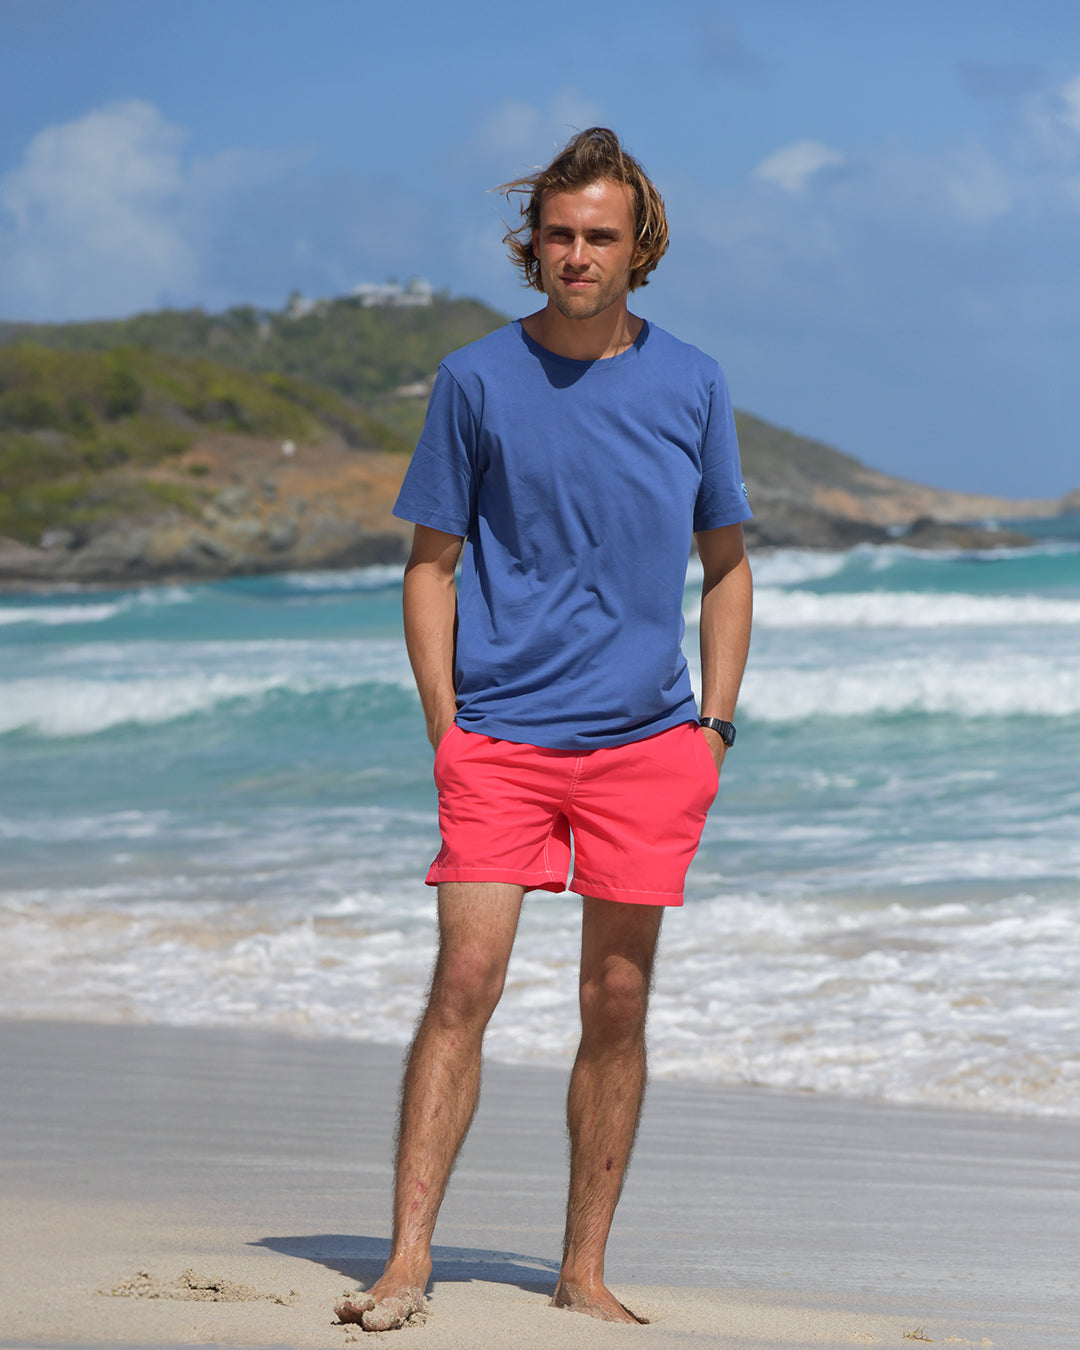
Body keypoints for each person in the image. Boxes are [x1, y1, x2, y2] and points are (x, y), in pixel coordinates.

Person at [336, 127, 753, 1333]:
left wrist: (713, 729)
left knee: (616, 1000)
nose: (578, 255)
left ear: (640, 248)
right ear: (535, 246)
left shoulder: (694, 382)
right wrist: (446, 726)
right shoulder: (474, 379)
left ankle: (581, 1270)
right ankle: (407, 1257)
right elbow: (430, 567)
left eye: (600, 237)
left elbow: (725, 566)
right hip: (503, 740)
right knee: (465, 980)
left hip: (645, 745)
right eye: (560, 235)